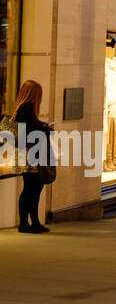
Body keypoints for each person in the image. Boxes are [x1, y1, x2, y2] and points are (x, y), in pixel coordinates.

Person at [14, 81, 52, 233]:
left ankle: (32, 222)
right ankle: (26, 223)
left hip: (26, 154)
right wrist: (44, 128)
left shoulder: (21, 108)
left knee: (31, 188)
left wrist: (42, 126)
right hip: (30, 154)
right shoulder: (27, 108)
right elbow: (30, 130)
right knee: (32, 188)